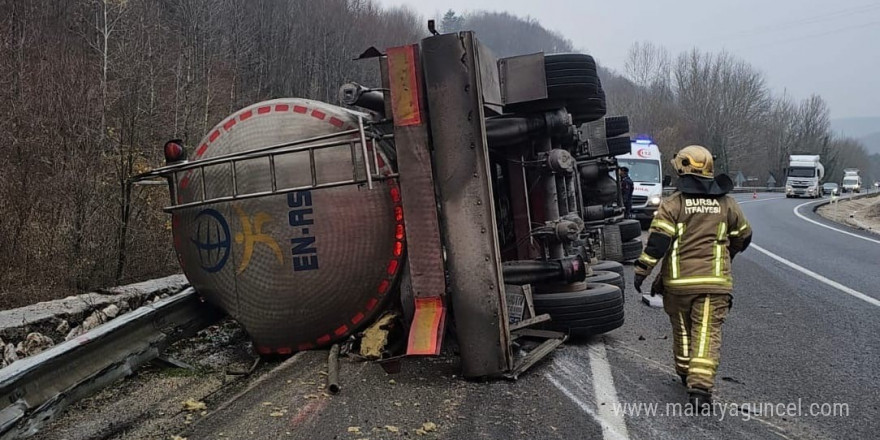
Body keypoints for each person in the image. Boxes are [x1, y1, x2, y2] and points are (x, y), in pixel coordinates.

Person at [632, 145, 752, 411]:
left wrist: (642, 271)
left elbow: (657, 245)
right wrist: (727, 254)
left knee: (684, 330)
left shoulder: (673, 204)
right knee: (707, 333)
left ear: (682, 169)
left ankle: (687, 372)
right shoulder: (727, 204)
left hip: (677, 285)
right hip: (714, 284)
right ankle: (700, 388)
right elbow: (744, 235)